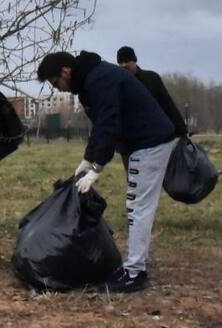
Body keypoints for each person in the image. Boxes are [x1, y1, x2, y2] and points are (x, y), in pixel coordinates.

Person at [37, 51, 176, 293]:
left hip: (150, 142)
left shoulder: (98, 79)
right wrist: (87, 161)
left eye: (56, 83)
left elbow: (109, 122)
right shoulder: (91, 80)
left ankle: (135, 273)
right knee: (137, 205)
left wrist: (97, 168)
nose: (58, 89)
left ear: (65, 72)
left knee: (138, 206)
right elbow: (100, 127)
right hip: (141, 143)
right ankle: (134, 267)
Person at [116, 46, 187, 138]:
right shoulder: (118, 84)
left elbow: (168, 105)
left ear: (134, 61)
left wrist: (181, 130)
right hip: (133, 139)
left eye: (127, 61)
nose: (124, 65)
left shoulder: (151, 79)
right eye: (121, 62)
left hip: (157, 134)